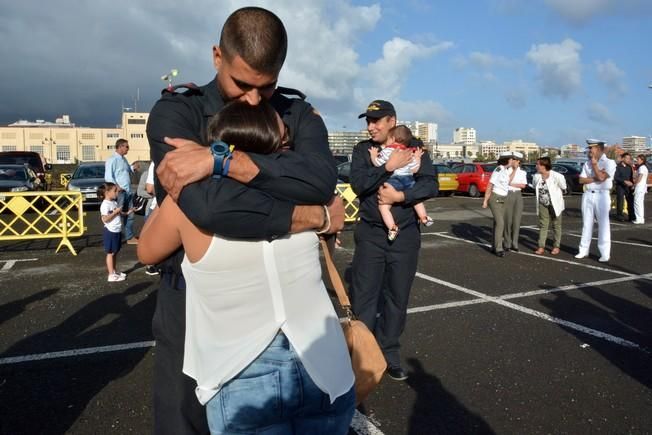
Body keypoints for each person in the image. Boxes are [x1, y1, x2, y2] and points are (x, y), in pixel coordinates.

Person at [146, 7, 344, 435]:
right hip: (195, 300)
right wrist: (311, 214)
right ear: (217, 56)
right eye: (242, 84)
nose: (255, 99)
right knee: (184, 423)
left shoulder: (295, 111)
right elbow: (209, 209)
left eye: (267, 85)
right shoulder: (178, 114)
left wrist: (226, 161)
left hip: (292, 317)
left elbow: (322, 179)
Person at [349, 99, 438, 381]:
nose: (371, 126)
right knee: (364, 297)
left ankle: (389, 351)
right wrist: (388, 167)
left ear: (392, 121)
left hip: (406, 234)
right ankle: (362, 355)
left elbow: (430, 183)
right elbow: (359, 184)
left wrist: (401, 197)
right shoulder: (363, 150)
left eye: (377, 120)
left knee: (397, 296)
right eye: (368, 121)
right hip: (371, 233)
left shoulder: (413, 147)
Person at [368, 124, 431, 240]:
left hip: (394, 181)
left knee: (384, 207)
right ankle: (424, 217)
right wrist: (417, 157)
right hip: (408, 179)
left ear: (392, 139)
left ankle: (392, 227)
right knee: (416, 200)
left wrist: (373, 155)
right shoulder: (408, 152)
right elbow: (415, 169)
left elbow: (377, 163)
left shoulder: (387, 151)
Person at [575, 139, 616, 262]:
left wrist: (595, 166)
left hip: (602, 195)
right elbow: (581, 180)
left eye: (591, 148)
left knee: (603, 224)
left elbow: (602, 178)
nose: (589, 151)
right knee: (586, 224)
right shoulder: (586, 163)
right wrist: (595, 177)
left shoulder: (609, 162)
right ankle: (583, 250)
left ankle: (604, 253)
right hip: (588, 194)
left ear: (598, 148)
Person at [105, 138, 140, 244]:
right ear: (120, 147)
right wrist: (117, 187)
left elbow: (127, 170)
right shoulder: (112, 160)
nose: (128, 149)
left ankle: (129, 237)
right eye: (127, 146)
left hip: (128, 191)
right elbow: (108, 177)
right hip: (120, 193)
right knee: (118, 215)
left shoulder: (123, 159)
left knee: (130, 215)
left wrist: (133, 167)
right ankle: (115, 236)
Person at [98, 182, 134, 282]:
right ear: (107, 192)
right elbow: (105, 219)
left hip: (116, 230)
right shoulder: (105, 205)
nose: (117, 193)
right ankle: (111, 275)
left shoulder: (113, 202)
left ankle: (114, 271)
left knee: (115, 252)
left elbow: (119, 213)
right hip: (110, 231)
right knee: (110, 253)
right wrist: (115, 212)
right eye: (115, 191)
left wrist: (127, 212)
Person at [482, 152, 515, 257]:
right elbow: (490, 185)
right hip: (496, 198)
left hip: (503, 198)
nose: (512, 161)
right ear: (506, 160)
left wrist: (514, 170)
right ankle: (498, 249)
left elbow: (508, 181)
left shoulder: (505, 170)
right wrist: (485, 200)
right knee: (500, 223)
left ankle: (493, 247)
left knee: (498, 223)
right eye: (511, 159)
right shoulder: (498, 169)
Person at [532, 157, 567, 255]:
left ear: (544, 165)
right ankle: (541, 246)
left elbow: (564, 187)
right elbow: (535, 186)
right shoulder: (536, 176)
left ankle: (556, 246)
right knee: (543, 225)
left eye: (538, 164)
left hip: (555, 204)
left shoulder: (557, 176)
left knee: (556, 225)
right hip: (542, 203)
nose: (536, 166)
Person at [137, 161, 159, 275]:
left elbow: (149, 188)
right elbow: (142, 190)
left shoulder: (155, 164)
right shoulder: (147, 173)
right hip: (154, 206)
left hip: (158, 205)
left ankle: (153, 264)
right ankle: (151, 265)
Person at [503, 151, 527, 252]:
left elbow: (523, 185)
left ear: (519, 161)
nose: (513, 162)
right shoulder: (507, 170)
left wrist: (512, 184)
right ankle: (507, 242)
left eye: (515, 160)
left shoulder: (523, 172)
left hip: (518, 195)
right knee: (508, 220)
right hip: (508, 194)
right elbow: (507, 181)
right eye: (513, 160)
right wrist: (514, 171)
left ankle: (515, 242)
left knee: (516, 220)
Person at [613, 152, 635, 222]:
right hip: (620, 186)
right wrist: (624, 181)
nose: (628, 160)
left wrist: (633, 185)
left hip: (628, 187)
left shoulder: (629, 167)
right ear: (622, 159)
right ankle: (620, 216)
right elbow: (616, 177)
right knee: (620, 202)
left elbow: (631, 177)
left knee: (630, 201)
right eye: (627, 158)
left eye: (629, 158)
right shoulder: (618, 167)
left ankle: (631, 216)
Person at [632, 154, 648, 224]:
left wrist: (634, 184)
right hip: (643, 187)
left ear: (642, 160)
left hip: (639, 187)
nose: (637, 161)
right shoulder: (644, 167)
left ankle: (638, 219)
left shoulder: (641, 167)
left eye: (638, 159)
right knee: (640, 203)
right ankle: (641, 218)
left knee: (637, 203)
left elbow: (640, 177)